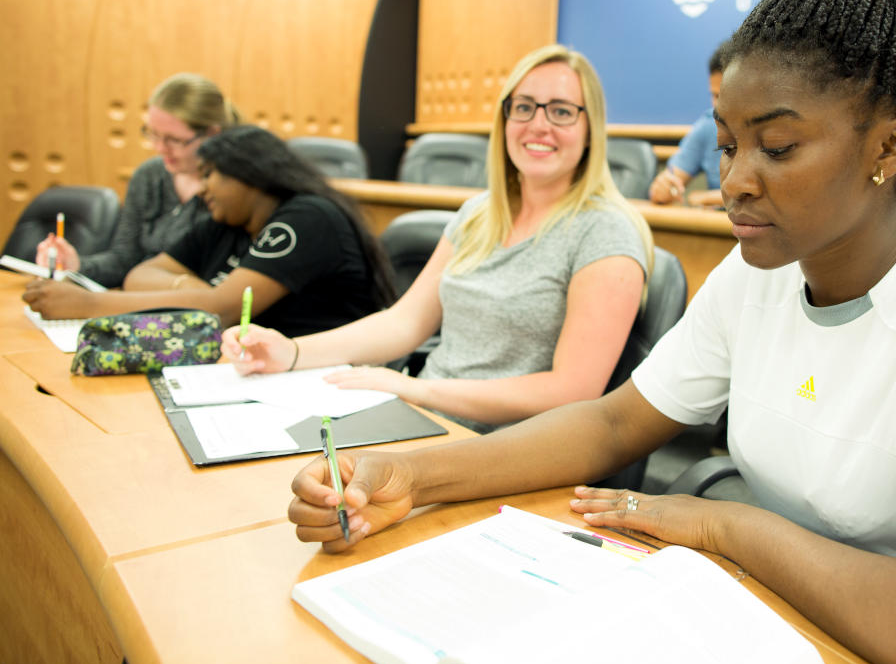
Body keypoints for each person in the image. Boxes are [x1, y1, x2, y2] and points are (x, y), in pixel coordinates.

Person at [286, 0, 896, 664]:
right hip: (787, 625)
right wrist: (415, 479)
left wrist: (727, 525)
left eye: (777, 147)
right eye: (727, 144)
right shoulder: (760, 275)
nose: (734, 182)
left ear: (889, 146)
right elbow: (613, 421)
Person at [222, 45, 652, 432]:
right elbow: (404, 323)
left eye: (561, 111)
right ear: (505, 119)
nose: (538, 125)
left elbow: (571, 392)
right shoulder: (478, 215)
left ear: (590, 127)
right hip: (424, 420)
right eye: (524, 107)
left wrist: (416, 390)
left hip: (502, 448)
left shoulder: (607, 231)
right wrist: (290, 352)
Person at [23, 125, 395, 337]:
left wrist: (91, 305)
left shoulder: (308, 217)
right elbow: (141, 274)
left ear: (249, 173)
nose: (202, 189)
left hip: (320, 379)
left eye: (209, 175)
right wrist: (194, 290)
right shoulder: (226, 223)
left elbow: (225, 310)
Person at [34, 73, 240, 287]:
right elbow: (123, 260)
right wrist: (75, 267)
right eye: (153, 134)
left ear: (212, 133)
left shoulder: (234, 189)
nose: (160, 148)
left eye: (174, 140)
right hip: (138, 300)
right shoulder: (149, 175)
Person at [649, 41, 728, 207]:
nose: (718, 107)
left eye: (726, 96)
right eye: (715, 96)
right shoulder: (708, 126)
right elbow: (666, 185)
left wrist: (707, 198)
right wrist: (664, 188)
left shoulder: (773, 132)